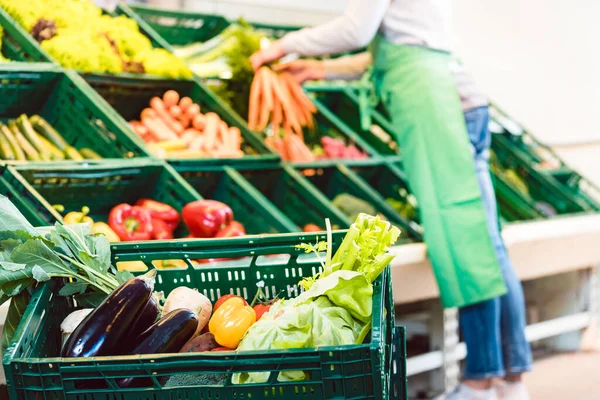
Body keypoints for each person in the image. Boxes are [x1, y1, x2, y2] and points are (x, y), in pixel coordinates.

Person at [250, 1, 532, 399]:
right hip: (457, 96)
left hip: (437, 106)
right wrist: (322, 68)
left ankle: (480, 381)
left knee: (465, 245)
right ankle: (511, 379)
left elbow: (356, 30)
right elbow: (394, 45)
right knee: (486, 243)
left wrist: (282, 46)